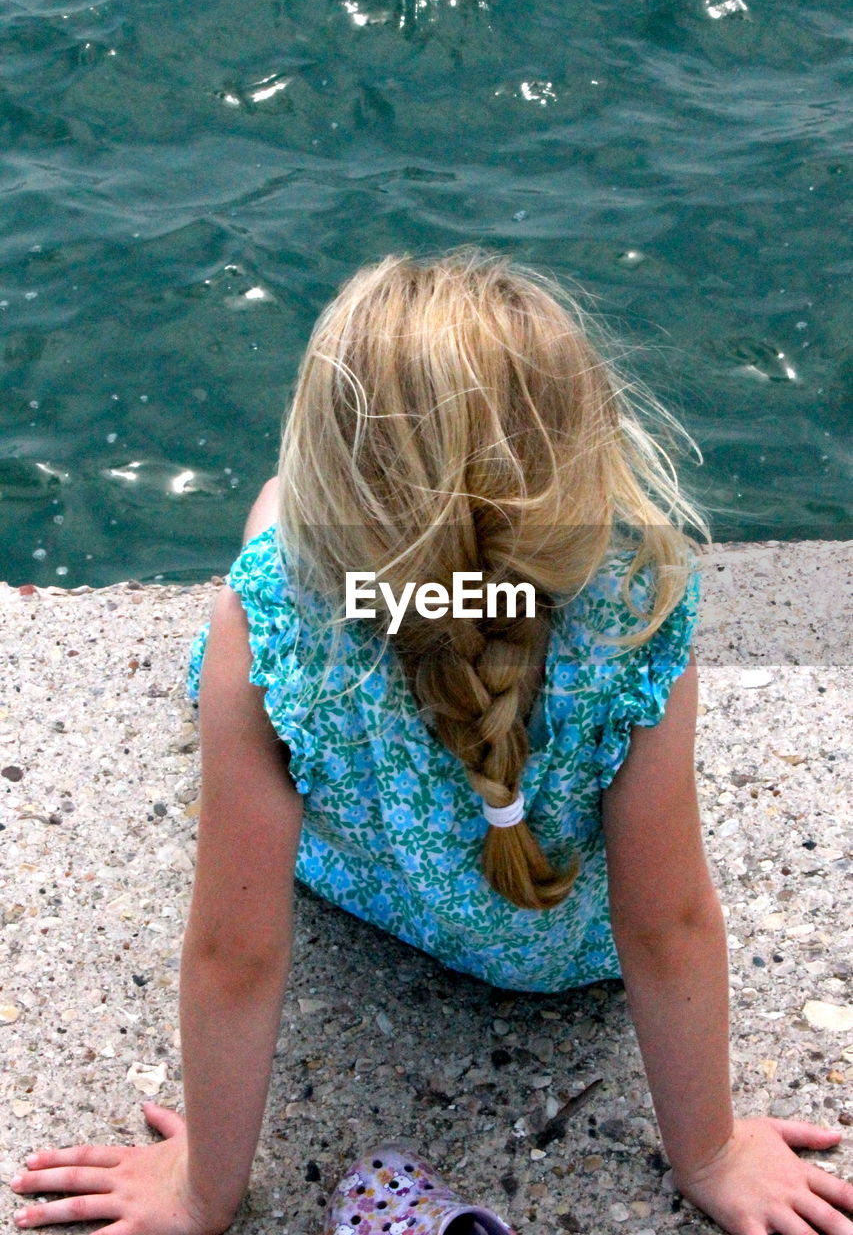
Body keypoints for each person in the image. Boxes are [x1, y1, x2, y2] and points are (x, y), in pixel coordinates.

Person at [9, 249, 852, 1235]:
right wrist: (708, 1149)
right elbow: (664, 925)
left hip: (368, 882)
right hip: (557, 949)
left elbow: (236, 954)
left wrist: (204, 1188)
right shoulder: (635, 606)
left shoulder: (275, 618)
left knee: (274, 516)